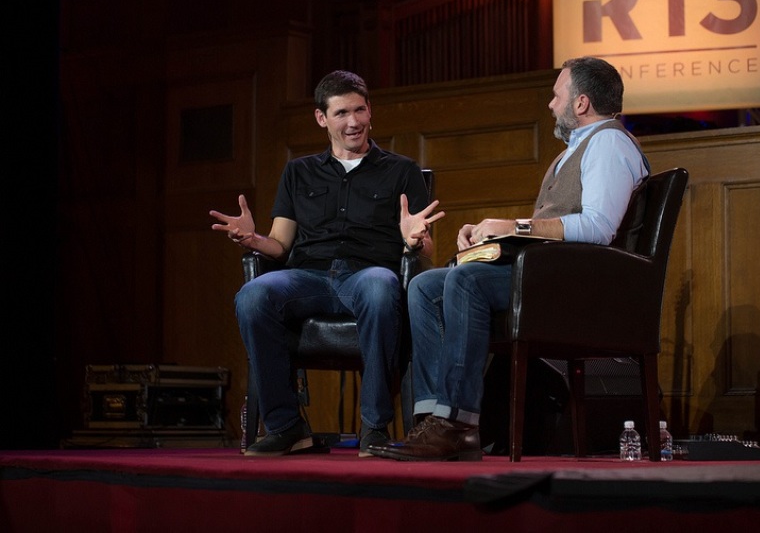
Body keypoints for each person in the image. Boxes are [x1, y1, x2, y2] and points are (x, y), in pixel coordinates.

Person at [367, 56, 651, 461]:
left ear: (582, 103)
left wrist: (512, 227)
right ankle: (434, 420)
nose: (551, 105)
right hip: (549, 274)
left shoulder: (609, 143)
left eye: (557, 96)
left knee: (466, 281)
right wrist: (491, 236)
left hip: (580, 289)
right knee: (426, 285)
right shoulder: (576, 150)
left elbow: (598, 228)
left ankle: (457, 425)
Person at [210, 70, 444, 457]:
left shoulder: (401, 170)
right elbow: (280, 244)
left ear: (370, 111)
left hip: (367, 274)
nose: (353, 122)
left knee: (380, 287)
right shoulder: (298, 171)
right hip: (309, 277)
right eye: (341, 113)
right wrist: (253, 240)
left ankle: (374, 427)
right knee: (253, 296)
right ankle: (286, 427)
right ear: (322, 118)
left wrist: (414, 239)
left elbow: (427, 251)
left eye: (359, 110)